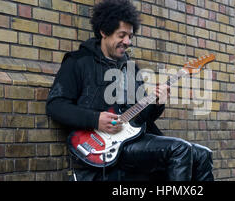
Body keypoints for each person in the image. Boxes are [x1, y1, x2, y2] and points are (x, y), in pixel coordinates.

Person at [46, 0, 213, 181]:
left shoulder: (131, 70)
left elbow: (140, 118)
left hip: (130, 140)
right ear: (104, 32)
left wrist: (157, 103)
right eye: (122, 35)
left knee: (203, 154)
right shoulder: (78, 62)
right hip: (99, 144)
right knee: (180, 149)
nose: (127, 42)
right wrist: (95, 119)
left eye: (130, 36)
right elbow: (56, 105)